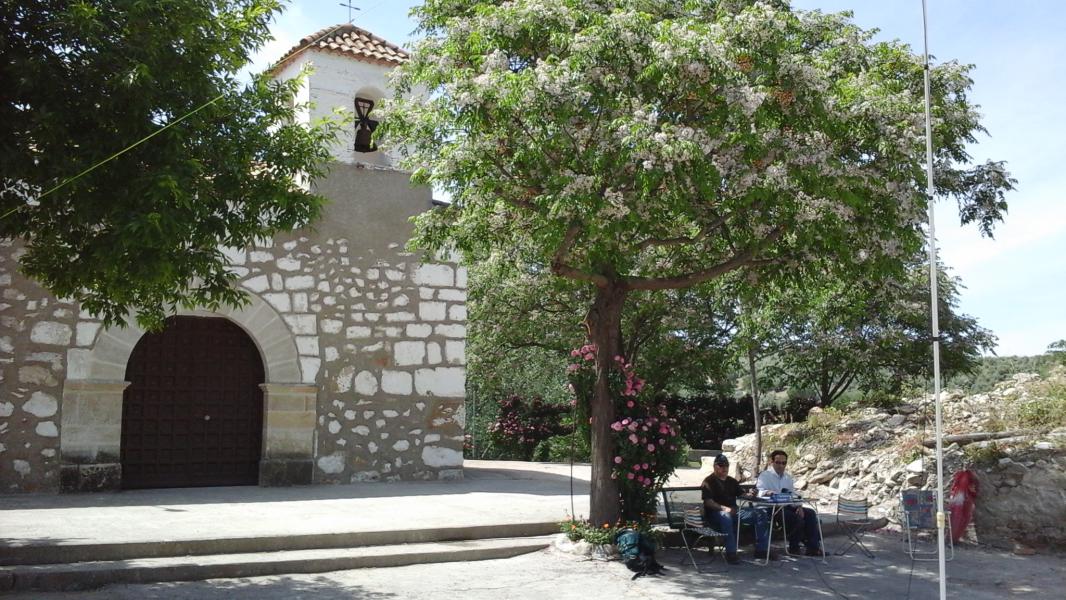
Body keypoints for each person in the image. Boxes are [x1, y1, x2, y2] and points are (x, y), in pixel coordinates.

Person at [700, 454, 775, 563]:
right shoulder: (708, 481)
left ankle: (762, 550)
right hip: (715, 514)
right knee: (726, 517)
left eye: (726, 465)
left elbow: (742, 494)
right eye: (721, 465)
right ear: (714, 466)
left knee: (760, 513)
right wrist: (724, 508)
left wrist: (751, 494)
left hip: (734, 511)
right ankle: (731, 553)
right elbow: (708, 502)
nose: (724, 468)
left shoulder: (732, 481)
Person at [756, 449, 824, 556]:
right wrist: (768, 492)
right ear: (772, 462)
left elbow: (793, 495)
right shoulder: (765, 475)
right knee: (796, 519)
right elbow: (759, 492)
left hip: (787, 506)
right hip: (772, 508)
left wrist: (799, 506)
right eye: (778, 462)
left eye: (783, 463)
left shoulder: (787, 477)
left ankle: (813, 548)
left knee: (810, 514)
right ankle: (794, 547)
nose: (781, 465)